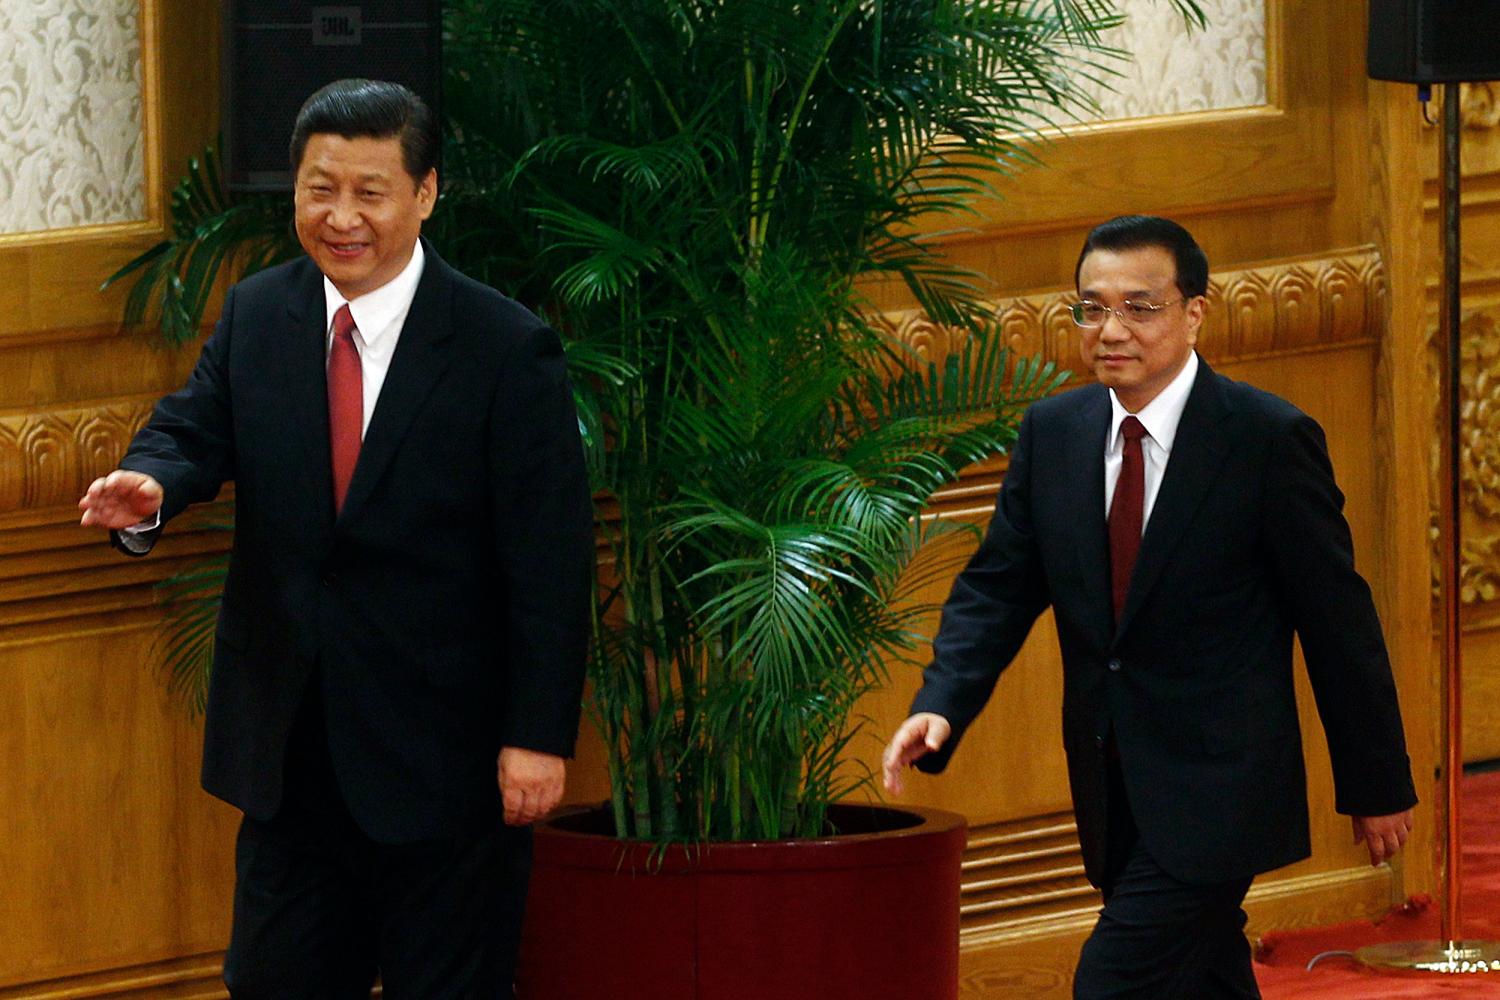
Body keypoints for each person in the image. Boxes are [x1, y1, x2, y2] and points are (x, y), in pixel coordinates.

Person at [78, 79, 594, 998]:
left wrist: (537, 737)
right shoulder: (258, 313)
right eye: (320, 189)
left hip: (448, 767)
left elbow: (549, 564)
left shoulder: (505, 349)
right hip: (292, 756)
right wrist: (151, 487)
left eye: (369, 192)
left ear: (425, 194)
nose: (341, 217)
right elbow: (192, 428)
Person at [881, 215, 1417, 999]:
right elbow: (998, 586)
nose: (1111, 330)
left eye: (1139, 307)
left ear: (1194, 312)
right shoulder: (1054, 434)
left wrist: (1377, 783)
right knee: (1204, 977)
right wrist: (942, 702)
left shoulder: (1265, 439)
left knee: (1112, 984)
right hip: (1112, 779)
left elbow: (1339, 621)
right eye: (1092, 308)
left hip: (1222, 786)